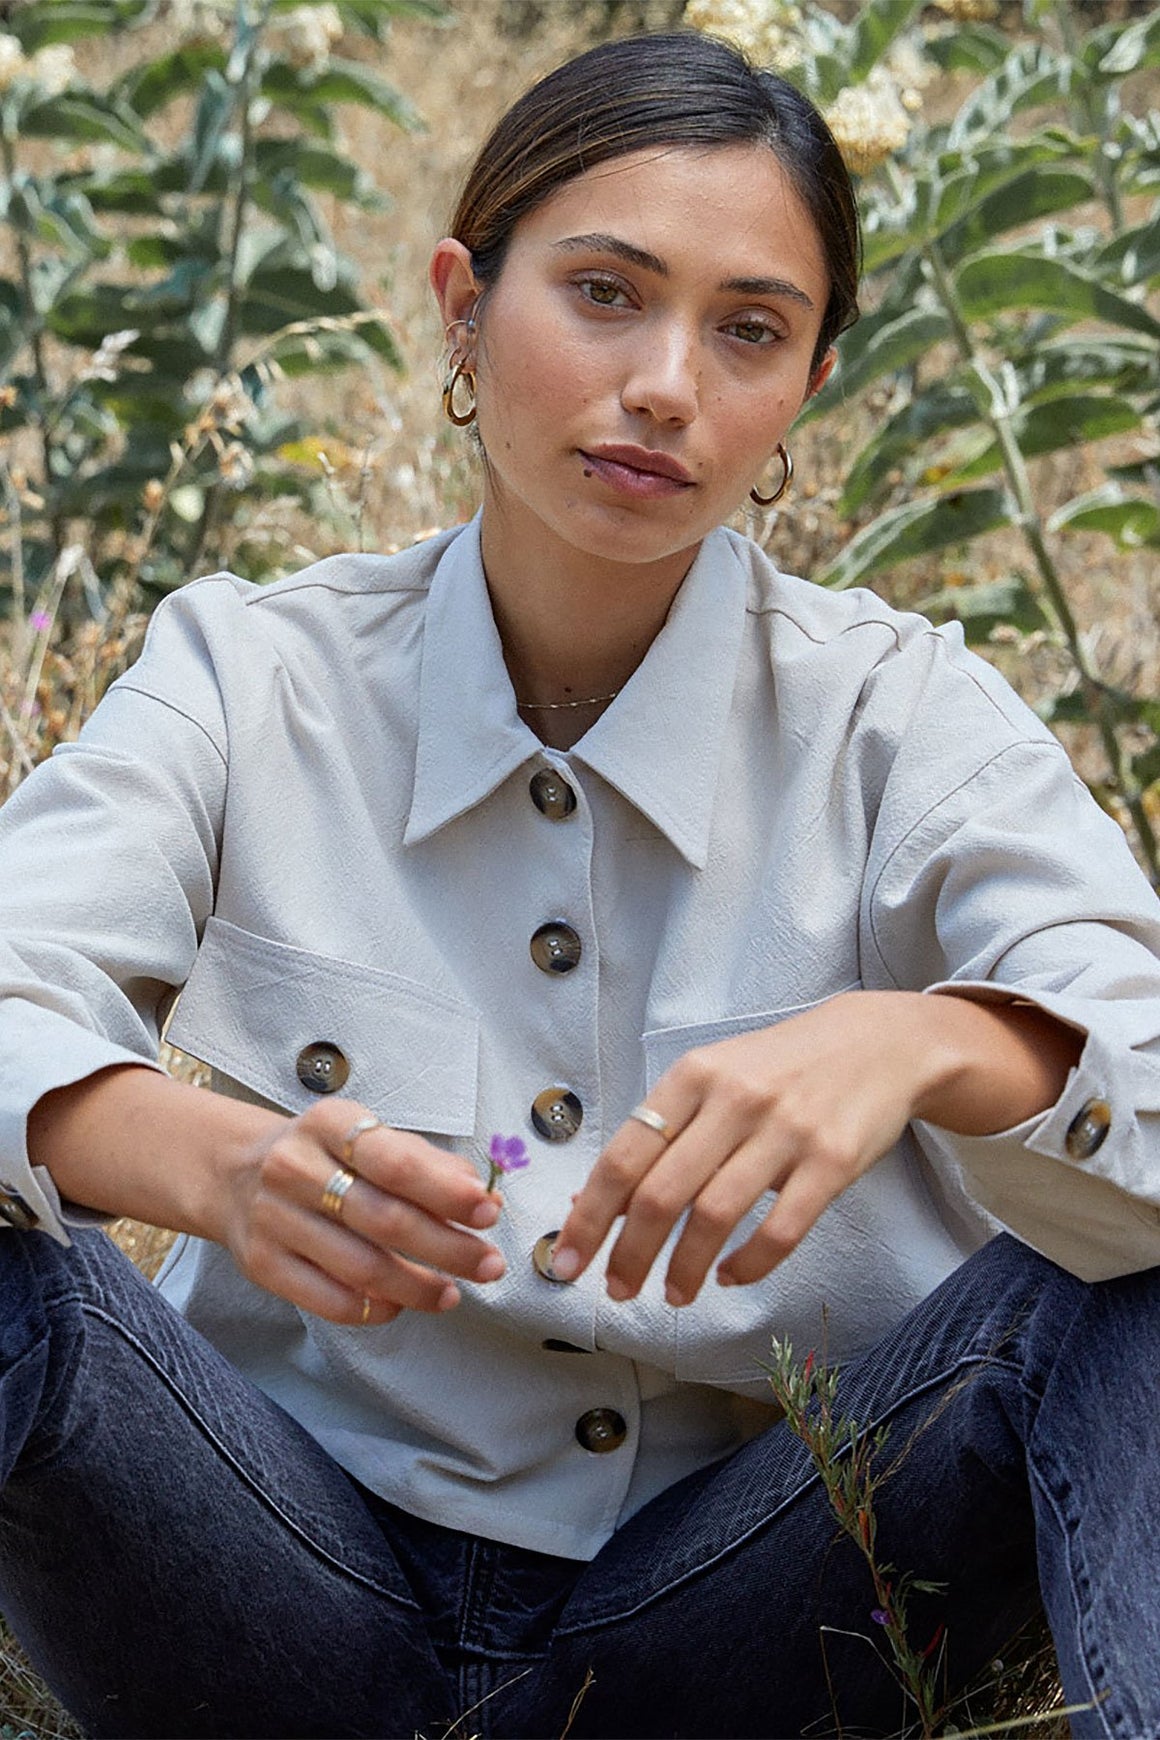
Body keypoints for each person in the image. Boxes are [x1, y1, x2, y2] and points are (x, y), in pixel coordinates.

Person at [1, 26, 1160, 1740]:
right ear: (465, 303)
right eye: (606, 293)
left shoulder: (902, 713)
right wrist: (219, 1168)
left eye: (749, 329)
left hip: (753, 1607)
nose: (670, 384)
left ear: (807, 387)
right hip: (269, 1580)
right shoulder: (250, 675)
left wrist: (925, 1042)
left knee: (1127, 1296)